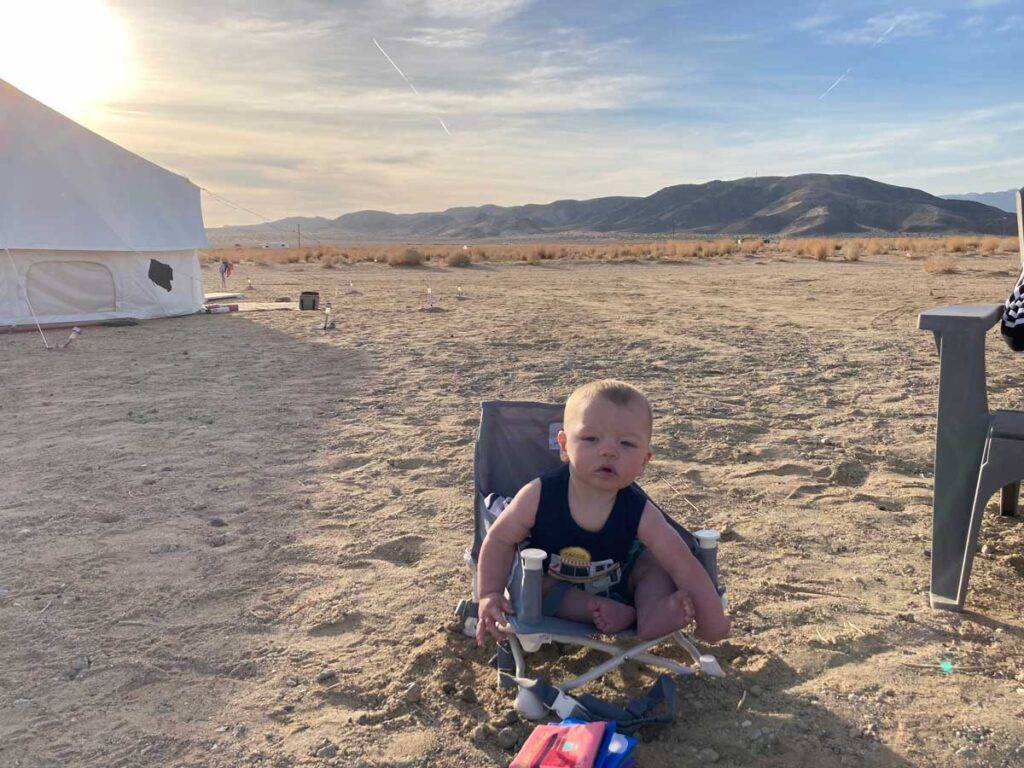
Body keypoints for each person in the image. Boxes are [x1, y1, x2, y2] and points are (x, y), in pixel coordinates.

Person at [475, 380, 731, 646]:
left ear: (644, 460)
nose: (609, 451)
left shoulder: (639, 509)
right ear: (563, 446)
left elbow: (682, 563)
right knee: (537, 586)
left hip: (620, 579)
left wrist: (713, 618)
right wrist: (490, 592)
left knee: (656, 564)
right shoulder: (538, 495)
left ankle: (652, 612)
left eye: (627, 444)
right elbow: (499, 539)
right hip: (558, 582)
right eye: (590, 439)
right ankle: (597, 609)